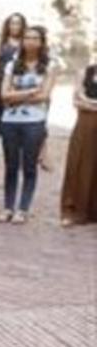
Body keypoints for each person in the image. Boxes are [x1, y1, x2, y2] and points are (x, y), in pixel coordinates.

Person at [0, 26, 56, 224]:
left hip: (34, 121)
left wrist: (16, 95)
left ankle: (23, 208)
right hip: (10, 120)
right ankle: (7, 207)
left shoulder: (49, 65)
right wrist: (30, 93)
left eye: (35, 38)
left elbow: (45, 95)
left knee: (29, 166)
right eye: (27, 38)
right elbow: (4, 94)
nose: (30, 41)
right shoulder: (12, 65)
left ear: (41, 42)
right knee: (10, 165)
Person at [59, 63, 97, 227]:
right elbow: (77, 99)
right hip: (85, 123)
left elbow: (83, 100)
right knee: (79, 163)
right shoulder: (85, 71)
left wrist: (89, 103)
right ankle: (74, 209)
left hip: (89, 113)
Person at [0, 13, 25, 162]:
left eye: (18, 23)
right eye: (12, 23)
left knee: (16, 118)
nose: (15, 26)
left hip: (17, 86)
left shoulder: (24, 43)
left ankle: (15, 152)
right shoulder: (0, 42)